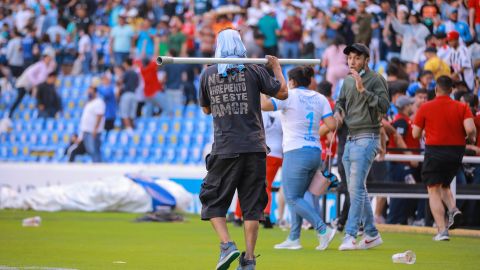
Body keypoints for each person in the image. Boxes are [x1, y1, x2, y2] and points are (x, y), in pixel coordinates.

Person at [198, 29, 287, 270]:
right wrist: (276, 67)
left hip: (225, 147)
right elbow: (283, 92)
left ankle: (227, 245)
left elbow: (206, 110)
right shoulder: (255, 70)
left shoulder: (208, 74)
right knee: (252, 206)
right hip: (255, 148)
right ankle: (248, 259)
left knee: (211, 199)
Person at [261, 65, 337, 251]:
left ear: (292, 82)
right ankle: (294, 237)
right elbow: (332, 124)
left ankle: (322, 228)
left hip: (296, 151)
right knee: (299, 196)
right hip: (314, 151)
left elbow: (264, 105)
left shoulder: (290, 95)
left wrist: (260, 87)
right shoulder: (320, 98)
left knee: (291, 196)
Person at [334, 43, 390, 251]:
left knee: (356, 189)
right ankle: (372, 234)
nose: (352, 61)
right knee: (357, 189)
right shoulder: (347, 81)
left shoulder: (376, 79)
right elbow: (340, 101)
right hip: (350, 138)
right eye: (350, 58)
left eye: (357, 58)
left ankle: (350, 235)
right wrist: (338, 111)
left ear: (366, 59)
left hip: (368, 136)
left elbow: (385, 107)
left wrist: (363, 90)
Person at [412, 75, 476, 241]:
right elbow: (470, 129)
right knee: (444, 185)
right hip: (456, 152)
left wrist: (425, 132)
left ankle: (441, 230)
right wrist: (471, 139)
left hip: (435, 150)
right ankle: (453, 209)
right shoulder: (462, 107)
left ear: (436, 89)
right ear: (452, 90)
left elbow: (415, 133)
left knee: (433, 189)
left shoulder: (426, 107)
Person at [233, 110, 283, 229]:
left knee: (246, 183)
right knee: (267, 185)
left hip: (260, 151)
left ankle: (238, 215)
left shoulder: (257, 112)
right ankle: (265, 214)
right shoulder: (280, 113)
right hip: (277, 154)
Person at [9, 48, 56, 118]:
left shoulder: (45, 67)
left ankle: (38, 114)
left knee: (40, 98)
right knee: (19, 98)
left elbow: (47, 74)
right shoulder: (40, 65)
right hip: (24, 84)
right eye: (48, 58)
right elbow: (29, 74)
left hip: (30, 86)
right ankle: (10, 114)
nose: (49, 59)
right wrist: (35, 84)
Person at [79, 87, 105, 163]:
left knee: (94, 150)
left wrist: (95, 129)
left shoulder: (99, 102)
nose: (89, 93)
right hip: (86, 130)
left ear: (95, 92)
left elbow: (99, 116)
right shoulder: (89, 102)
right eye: (88, 92)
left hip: (93, 131)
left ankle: (98, 165)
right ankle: (95, 163)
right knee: (90, 150)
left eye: (91, 92)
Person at [119, 58, 139, 131]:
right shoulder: (135, 73)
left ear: (126, 63)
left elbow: (120, 82)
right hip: (134, 95)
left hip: (126, 94)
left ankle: (129, 131)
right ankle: (132, 131)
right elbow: (137, 84)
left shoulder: (127, 72)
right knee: (131, 115)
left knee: (124, 114)